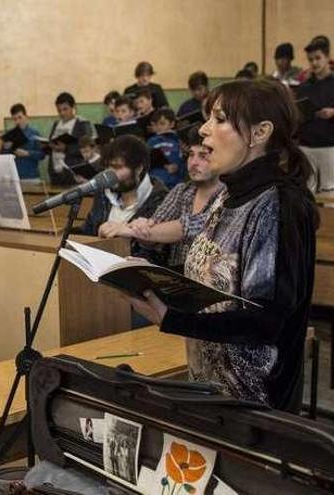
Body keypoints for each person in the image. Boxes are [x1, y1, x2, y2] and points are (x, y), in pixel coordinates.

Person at [130, 79, 318, 412]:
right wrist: (142, 279)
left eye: (219, 119)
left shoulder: (279, 204)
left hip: (257, 409)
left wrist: (172, 319)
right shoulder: (227, 196)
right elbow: (214, 275)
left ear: (259, 133)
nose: (203, 130)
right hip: (210, 394)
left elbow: (266, 320)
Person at [122, 127, 225, 271]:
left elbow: (192, 226)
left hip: (209, 283)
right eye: (190, 155)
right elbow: (153, 231)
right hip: (175, 279)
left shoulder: (228, 195)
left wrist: (131, 230)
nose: (193, 162)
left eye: (203, 156)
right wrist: (142, 226)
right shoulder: (181, 191)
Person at [80, 135, 169, 257]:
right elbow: (87, 232)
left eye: (117, 167)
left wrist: (129, 231)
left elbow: (161, 253)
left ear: (138, 169)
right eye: (107, 167)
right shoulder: (102, 194)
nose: (109, 175)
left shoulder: (162, 200)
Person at [296, 38, 334, 192]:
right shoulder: (304, 87)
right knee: (307, 192)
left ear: (327, 57)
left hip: (329, 146)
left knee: (330, 192)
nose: (314, 63)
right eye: (310, 60)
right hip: (306, 146)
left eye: (318, 58)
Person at [47, 92, 96, 186]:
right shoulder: (56, 124)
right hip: (55, 172)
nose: (62, 113)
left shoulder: (82, 124)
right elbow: (51, 142)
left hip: (74, 173)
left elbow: (88, 149)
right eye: (59, 110)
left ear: (73, 107)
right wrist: (49, 146)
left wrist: (66, 148)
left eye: (65, 109)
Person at [0, 103, 46, 181]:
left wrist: (27, 153)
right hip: (15, 177)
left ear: (26, 117)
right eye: (15, 119)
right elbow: (2, 157)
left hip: (32, 177)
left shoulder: (35, 133)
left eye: (20, 117)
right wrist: (5, 148)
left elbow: (42, 155)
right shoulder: (9, 135)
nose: (18, 121)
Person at [147, 108, 185, 189]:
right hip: (157, 181)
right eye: (156, 125)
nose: (159, 127)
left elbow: (184, 160)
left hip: (176, 181)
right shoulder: (151, 142)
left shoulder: (179, 139)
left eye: (162, 124)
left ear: (172, 124)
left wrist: (178, 166)